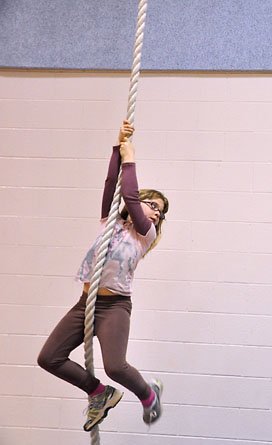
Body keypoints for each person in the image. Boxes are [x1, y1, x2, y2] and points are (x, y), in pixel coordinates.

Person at [37, 121, 169, 431]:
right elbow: (113, 183)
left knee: (115, 366)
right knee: (49, 357)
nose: (157, 213)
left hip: (114, 307)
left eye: (161, 212)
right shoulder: (109, 222)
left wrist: (131, 155)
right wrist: (117, 146)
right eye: (155, 205)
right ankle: (99, 393)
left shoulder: (145, 234)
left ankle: (148, 394)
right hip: (87, 303)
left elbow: (131, 197)